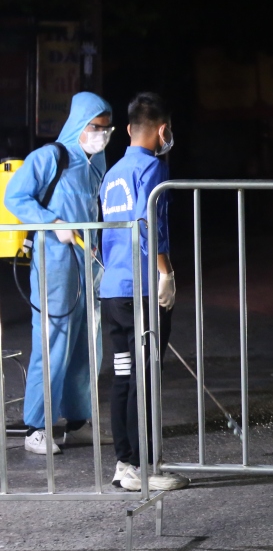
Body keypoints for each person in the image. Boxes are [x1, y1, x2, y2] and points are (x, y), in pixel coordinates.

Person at [3, 91, 111, 455]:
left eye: (107, 128)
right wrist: (52, 222)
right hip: (55, 261)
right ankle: (37, 426)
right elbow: (15, 197)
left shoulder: (97, 162)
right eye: (96, 127)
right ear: (79, 124)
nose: (102, 134)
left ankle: (78, 421)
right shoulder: (51, 157)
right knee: (53, 342)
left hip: (87, 262)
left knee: (86, 343)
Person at [99, 92, 188, 491]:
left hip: (114, 291)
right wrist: (165, 272)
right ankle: (143, 466)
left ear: (130, 129)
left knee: (122, 376)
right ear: (162, 130)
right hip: (142, 290)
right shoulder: (152, 169)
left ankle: (125, 465)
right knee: (145, 377)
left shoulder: (112, 173)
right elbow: (149, 221)